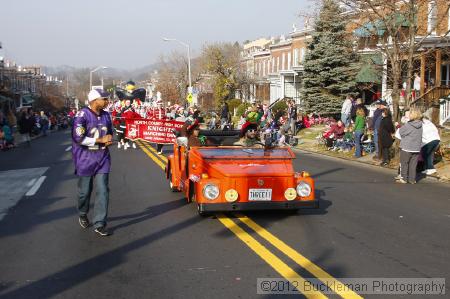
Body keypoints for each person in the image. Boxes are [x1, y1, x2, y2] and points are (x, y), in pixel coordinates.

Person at [72, 89, 113, 236]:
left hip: (102, 157)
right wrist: (99, 140)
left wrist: (108, 140)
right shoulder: (81, 115)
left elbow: (109, 133)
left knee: (103, 189)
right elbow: (78, 138)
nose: (107, 102)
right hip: (85, 158)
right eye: (105, 99)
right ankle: (83, 213)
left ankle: (100, 223)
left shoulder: (106, 115)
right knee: (85, 192)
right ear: (95, 100)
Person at [395, 109, 423, 184]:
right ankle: (412, 179)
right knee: (413, 165)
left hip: (407, 147)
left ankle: (404, 178)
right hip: (416, 147)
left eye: (410, 114)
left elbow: (401, 132)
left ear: (412, 115)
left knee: (404, 163)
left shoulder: (408, 125)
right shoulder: (420, 125)